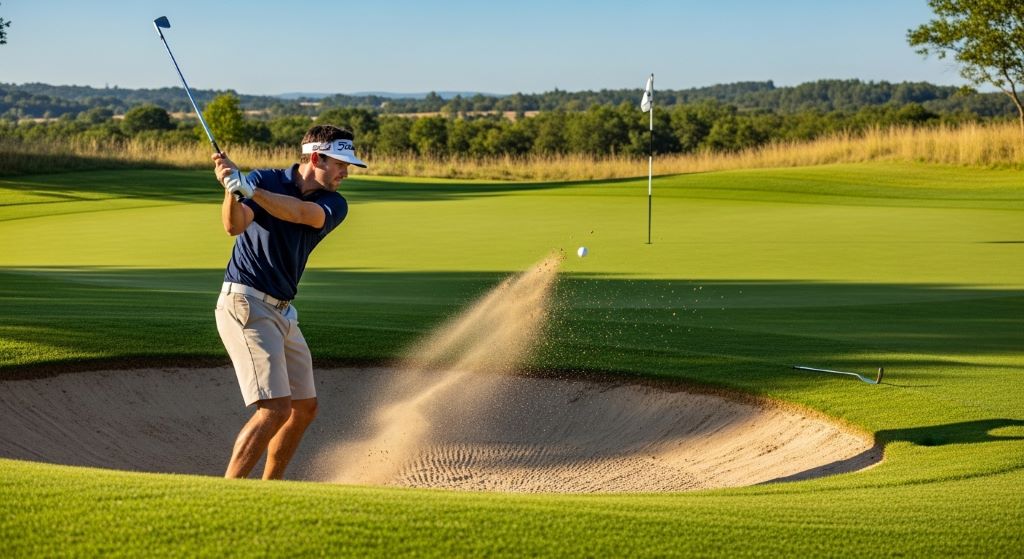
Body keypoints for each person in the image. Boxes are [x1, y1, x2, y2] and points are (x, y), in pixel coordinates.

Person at [212, 124, 366, 480]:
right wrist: (231, 190)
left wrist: (251, 189)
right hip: (245, 303)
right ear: (316, 157)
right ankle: (227, 495)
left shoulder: (333, 202)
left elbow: (299, 214)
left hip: (283, 311)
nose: (346, 172)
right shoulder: (265, 179)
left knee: (304, 408)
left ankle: (271, 488)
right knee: (275, 409)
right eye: (340, 164)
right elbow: (234, 226)